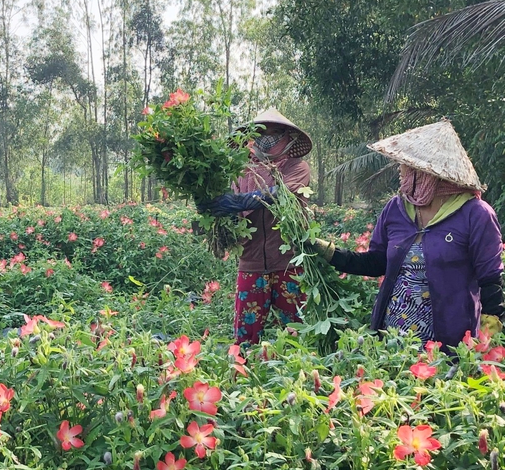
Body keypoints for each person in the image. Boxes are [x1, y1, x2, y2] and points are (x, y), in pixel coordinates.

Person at [312, 118, 504, 350]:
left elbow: (490, 281)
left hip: (449, 343)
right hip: (392, 337)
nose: (400, 172)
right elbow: (376, 262)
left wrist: (489, 339)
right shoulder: (396, 208)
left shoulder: (475, 214)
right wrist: (329, 252)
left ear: (426, 175)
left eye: (407, 167)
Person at [196, 109, 312, 345]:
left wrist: (239, 202)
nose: (267, 139)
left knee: (297, 335)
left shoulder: (297, 168)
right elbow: (226, 210)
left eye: (275, 133)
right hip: (250, 263)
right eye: (260, 133)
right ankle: (242, 377)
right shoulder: (239, 172)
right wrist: (211, 207)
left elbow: (282, 195)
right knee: (245, 339)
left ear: (289, 137)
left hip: (288, 263)